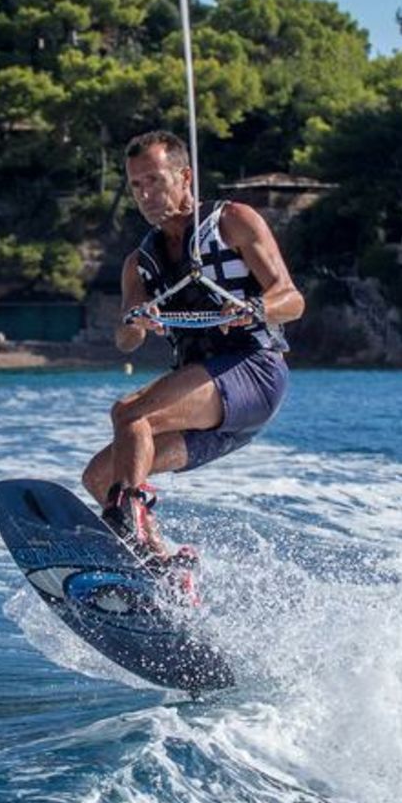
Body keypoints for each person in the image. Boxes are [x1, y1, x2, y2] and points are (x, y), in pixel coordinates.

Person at [80, 129, 304, 563]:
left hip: (253, 373)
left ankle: (132, 524)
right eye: (137, 185)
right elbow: (126, 342)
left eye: (155, 180)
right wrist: (136, 320)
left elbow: (292, 300)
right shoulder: (138, 264)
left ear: (185, 177)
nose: (146, 194)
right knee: (100, 477)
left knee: (130, 412)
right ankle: (162, 568)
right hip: (212, 413)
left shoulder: (232, 221)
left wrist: (257, 309)